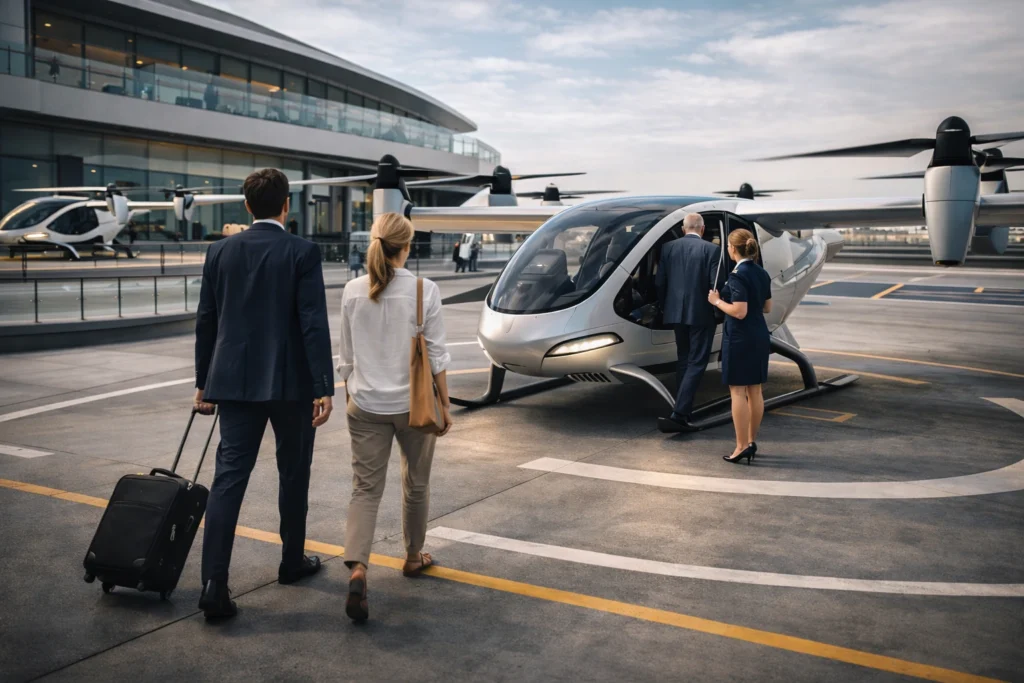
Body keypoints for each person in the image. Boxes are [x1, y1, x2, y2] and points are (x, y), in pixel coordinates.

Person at [193, 168, 335, 620]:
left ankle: (214, 583)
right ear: (287, 205)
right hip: (291, 384)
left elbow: (207, 319)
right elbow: (313, 322)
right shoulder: (302, 252)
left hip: (233, 383)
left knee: (228, 479)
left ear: (247, 205)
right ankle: (291, 562)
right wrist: (323, 386)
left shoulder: (219, 251)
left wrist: (203, 382)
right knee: (294, 473)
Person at [337, 212, 452, 623]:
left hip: (365, 405)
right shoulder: (424, 290)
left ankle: (358, 567)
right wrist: (444, 404)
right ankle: (412, 557)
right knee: (415, 484)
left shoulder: (352, 290)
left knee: (365, 490)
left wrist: (353, 391)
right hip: (413, 406)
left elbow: (346, 357)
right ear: (407, 246)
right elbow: (436, 355)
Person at [708, 228, 772, 464]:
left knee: (737, 391)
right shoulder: (762, 273)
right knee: (755, 390)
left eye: (728, 246)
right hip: (759, 334)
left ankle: (741, 446)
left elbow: (739, 311)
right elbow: (767, 307)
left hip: (740, 338)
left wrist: (717, 301)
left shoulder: (737, 276)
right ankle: (751, 441)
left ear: (733, 249)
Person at [656, 213, 722, 430]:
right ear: (702, 229)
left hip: (675, 313)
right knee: (697, 361)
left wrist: (663, 307)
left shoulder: (668, 248)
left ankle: (682, 405)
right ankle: (680, 412)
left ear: (684, 229)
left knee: (683, 358)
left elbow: (660, 282)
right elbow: (716, 284)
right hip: (701, 314)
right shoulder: (712, 250)